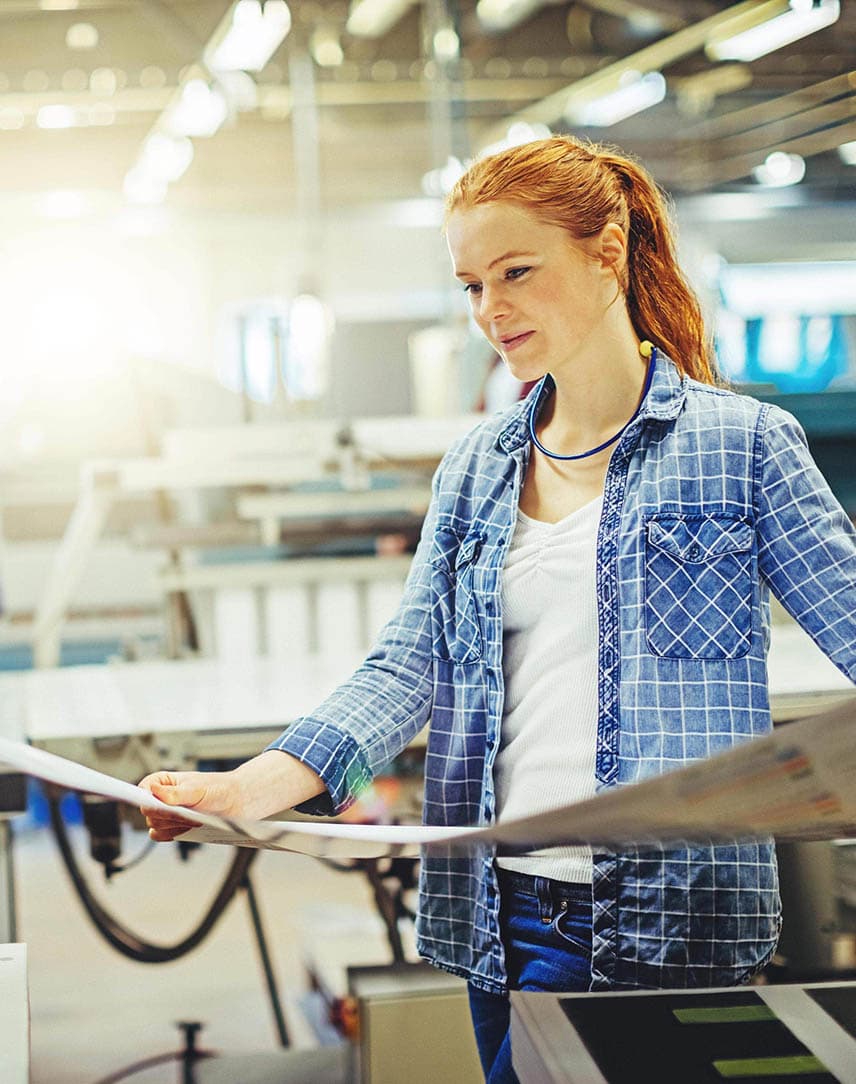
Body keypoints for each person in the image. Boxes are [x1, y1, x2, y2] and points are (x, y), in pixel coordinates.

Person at [141, 135, 856, 1084]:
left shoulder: (744, 446)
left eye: (516, 272)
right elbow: (407, 667)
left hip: (673, 910)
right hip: (499, 911)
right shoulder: (477, 468)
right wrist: (249, 787)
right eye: (472, 285)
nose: (491, 310)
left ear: (608, 252)